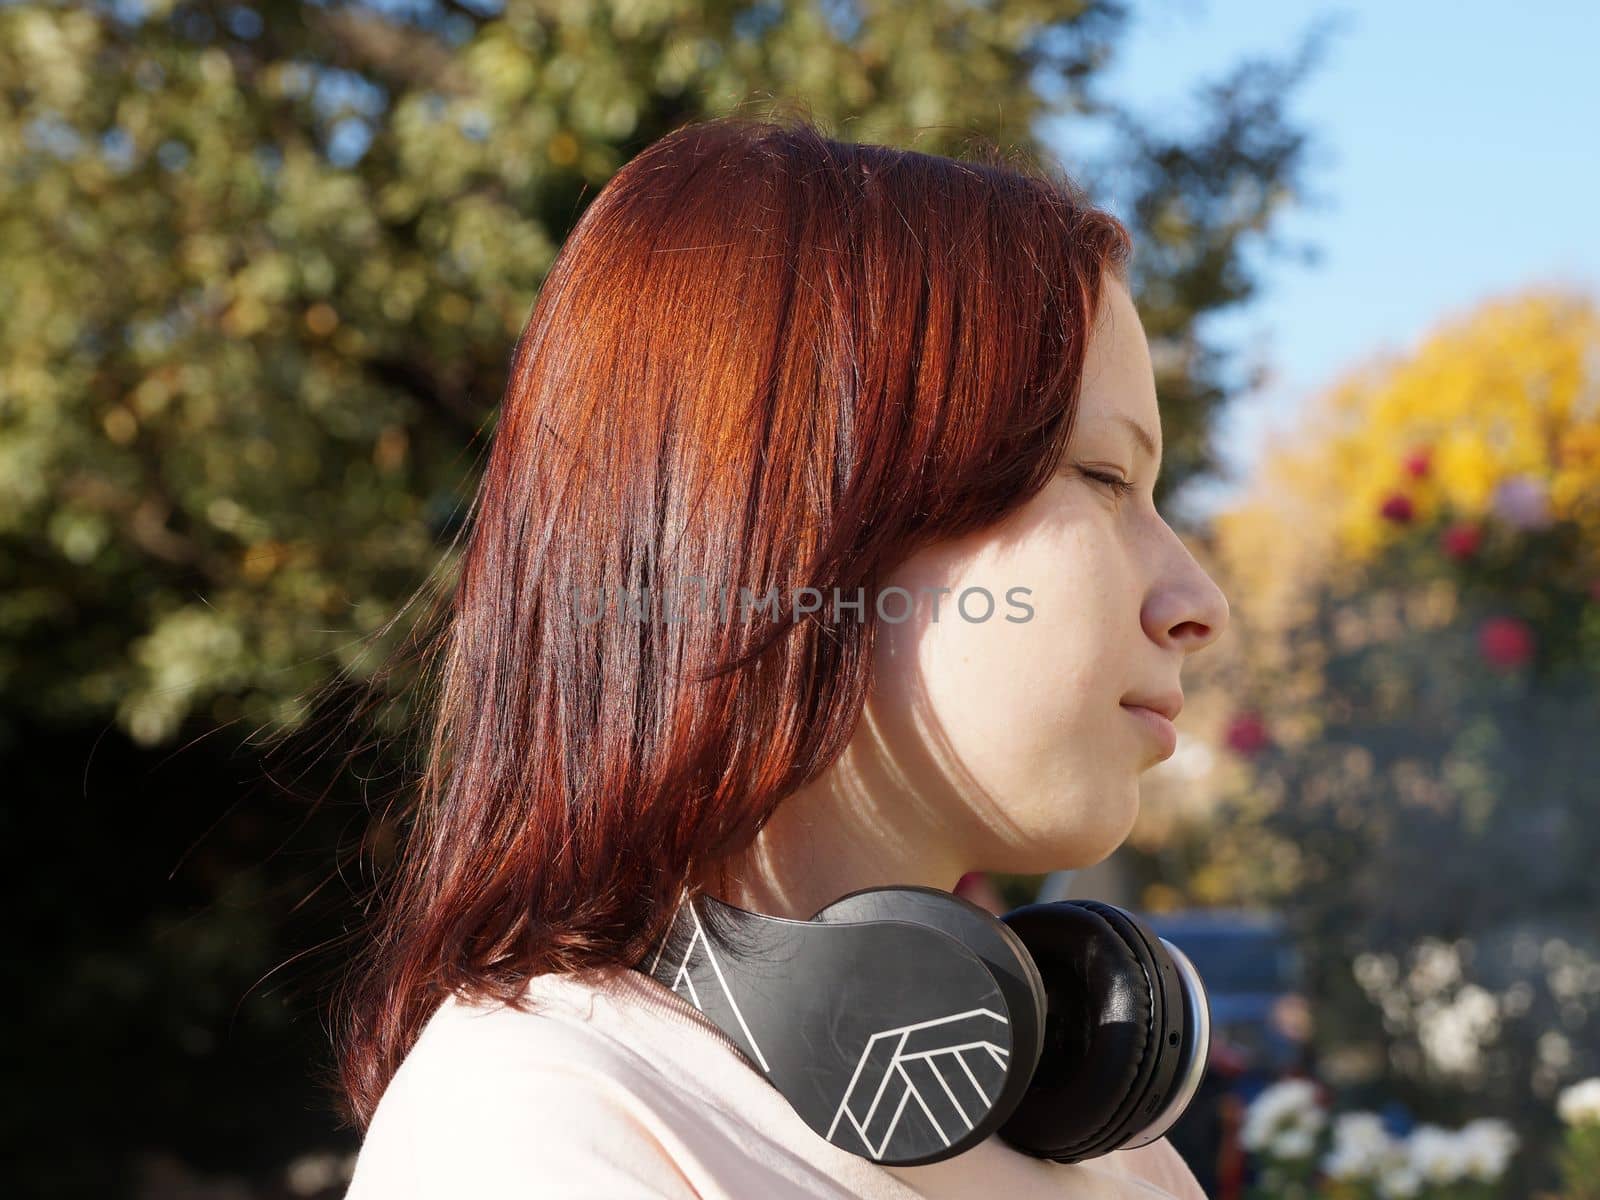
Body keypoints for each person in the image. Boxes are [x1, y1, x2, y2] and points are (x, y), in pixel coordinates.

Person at [338, 112, 1230, 1198]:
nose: (1197, 603)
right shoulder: (531, 1134)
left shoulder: (1115, 1157)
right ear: (808, 515)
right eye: (1101, 477)